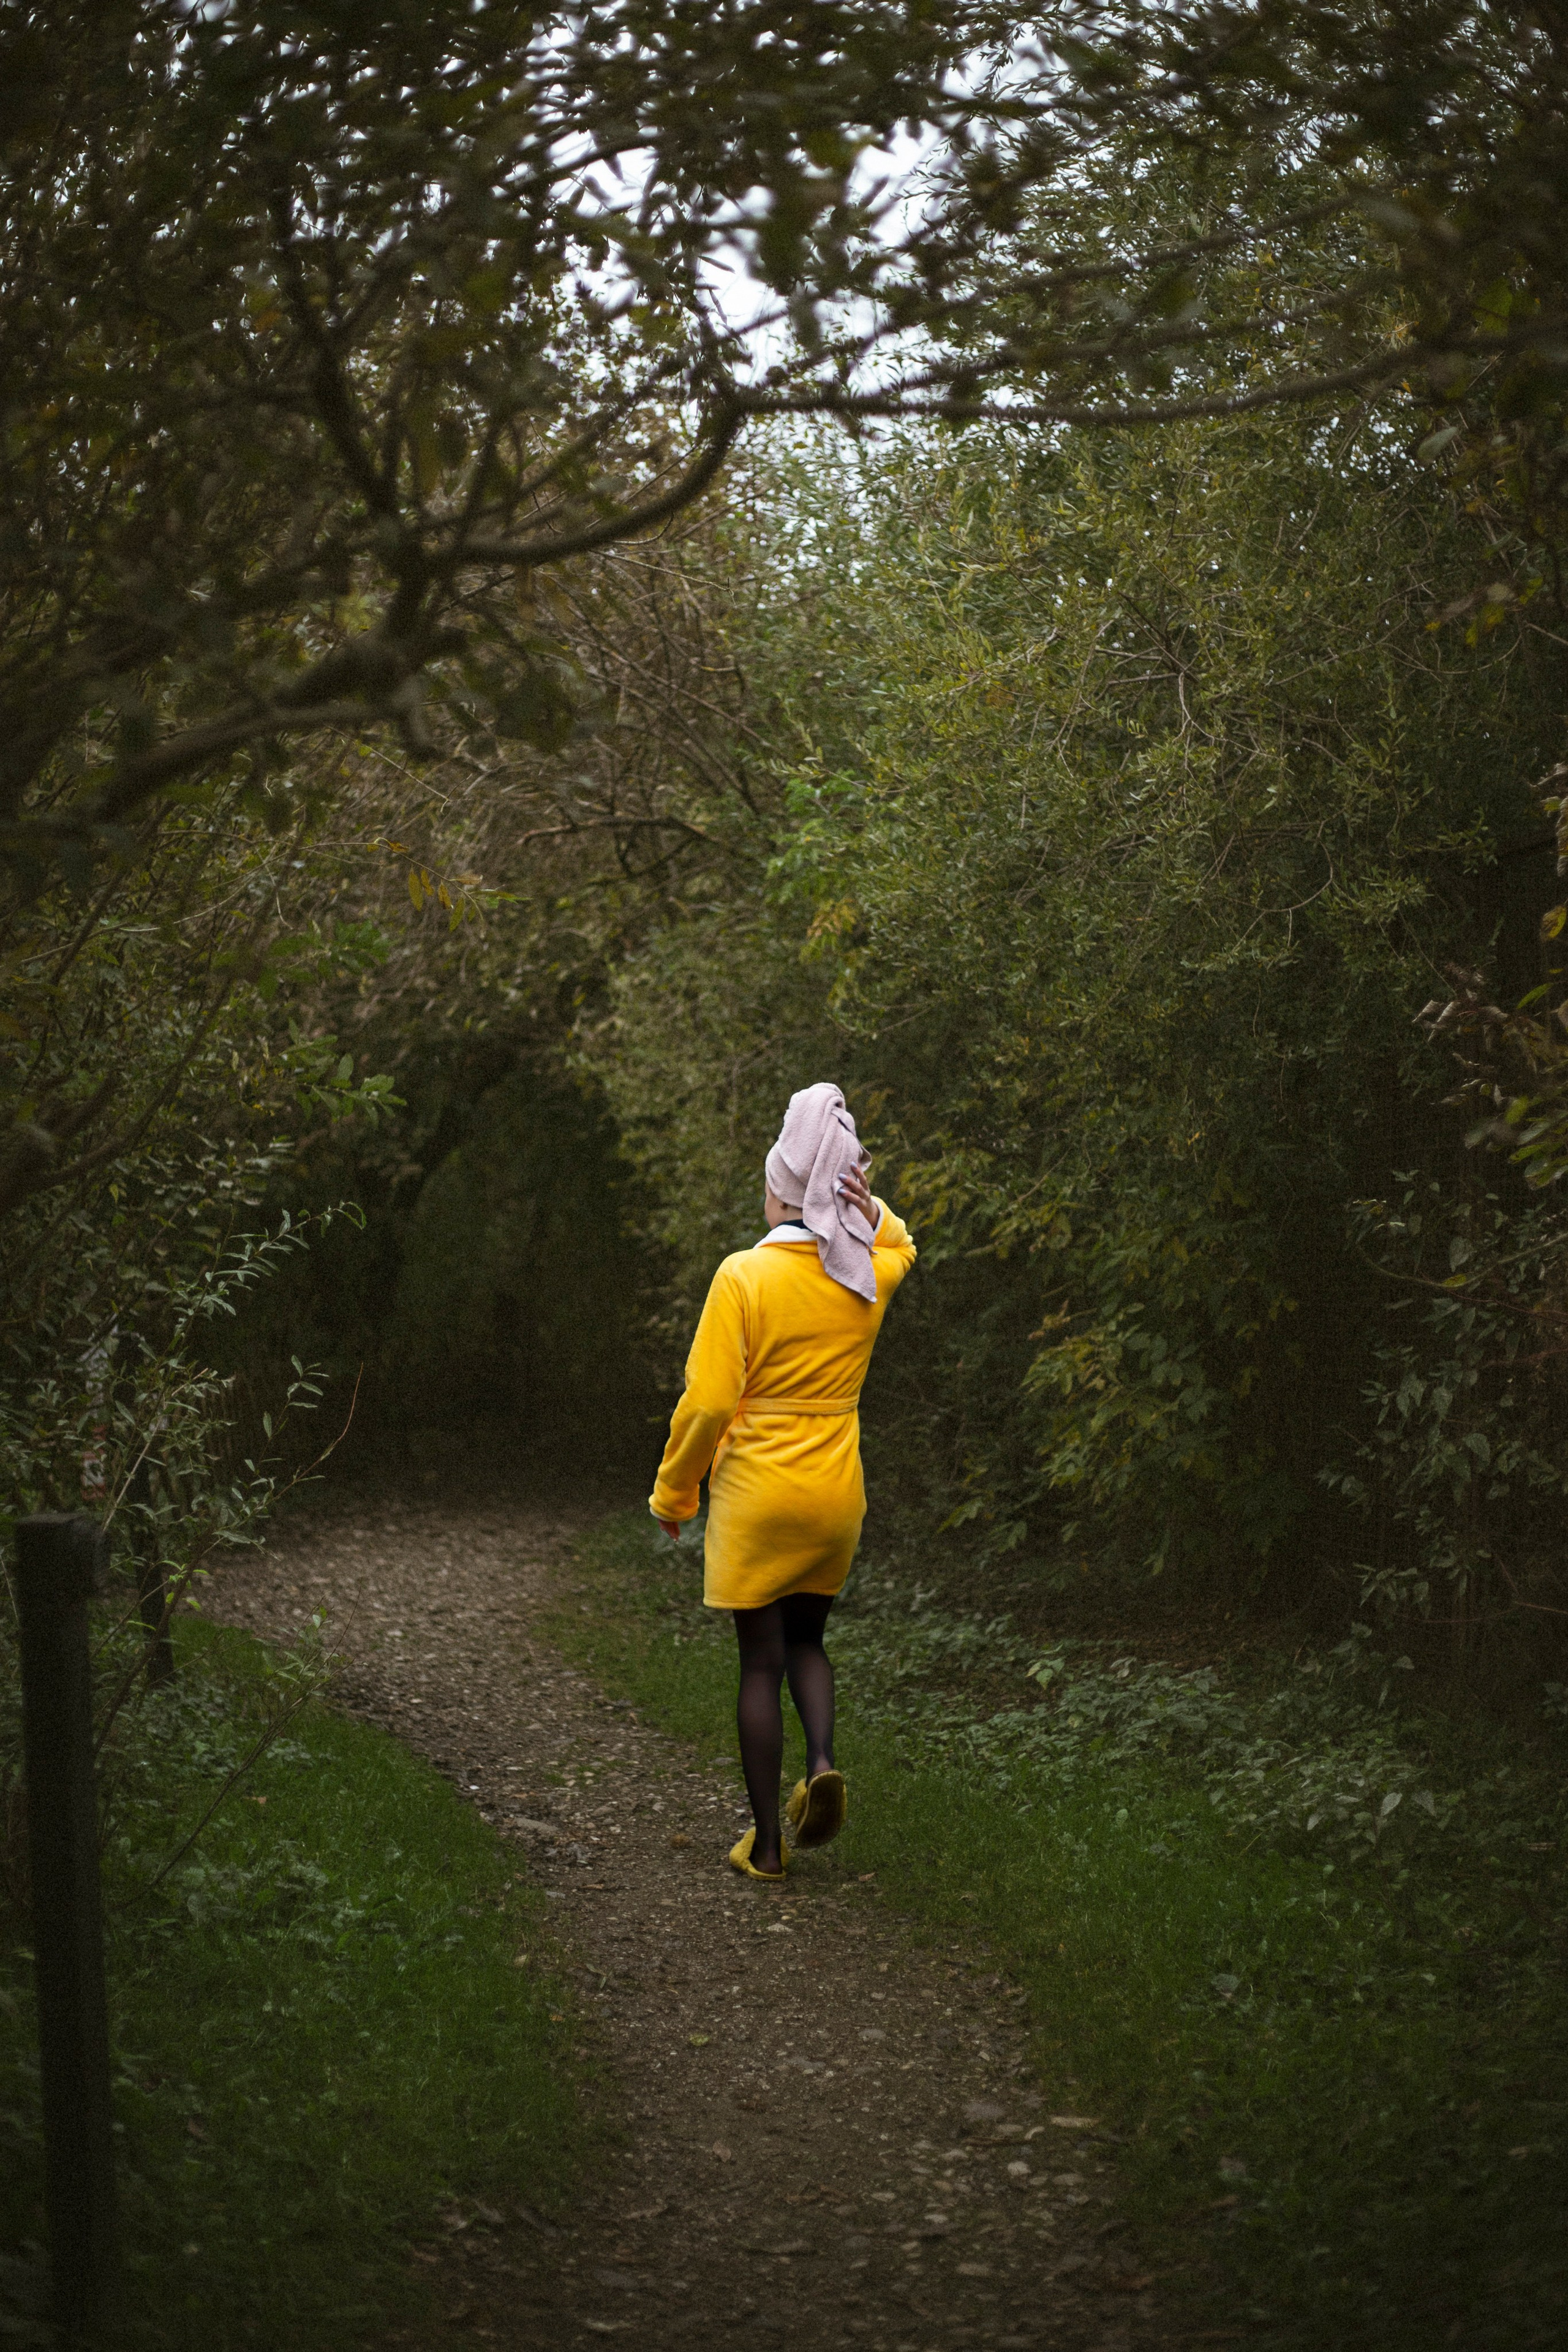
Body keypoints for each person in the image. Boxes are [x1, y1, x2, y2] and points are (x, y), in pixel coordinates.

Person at [649, 1082, 917, 1881]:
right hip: (834, 1498)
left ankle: (767, 1847)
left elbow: (709, 1404)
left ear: (783, 1192)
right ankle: (824, 1760)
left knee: (758, 1662)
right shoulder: (864, 1278)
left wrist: (675, 1493)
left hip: (759, 1498)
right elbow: (904, 1247)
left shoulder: (743, 1279)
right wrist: (868, 1210)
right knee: (809, 1642)